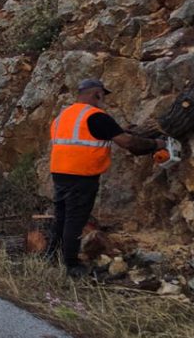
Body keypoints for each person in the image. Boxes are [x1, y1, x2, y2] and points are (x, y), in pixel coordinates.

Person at [47, 79, 165, 278]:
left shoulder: (64, 116)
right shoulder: (97, 117)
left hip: (60, 172)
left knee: (62, 217)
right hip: (82, 176)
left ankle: (51, 256)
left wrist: (121, 130)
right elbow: (127, 143)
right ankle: (71, 265)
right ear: (98, 94)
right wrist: (155, 144)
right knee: (75, 220)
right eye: (103, 96)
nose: (103, 100)